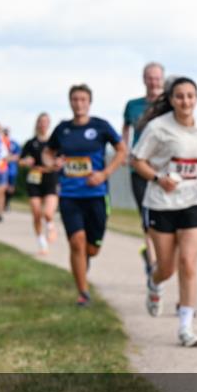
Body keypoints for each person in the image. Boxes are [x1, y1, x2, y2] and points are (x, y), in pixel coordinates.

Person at [131, 77, 197, 347]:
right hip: (162, 202)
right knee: (167, 268)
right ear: (172, 100)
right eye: (180, 96)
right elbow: (137, 160)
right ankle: (154, 282)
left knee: (188, 262)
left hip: (195, 200)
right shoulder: (158, 128)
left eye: (190, 96)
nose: (186, 101)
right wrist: (159, 178)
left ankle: (186, 327)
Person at [44, 84, 127, 306]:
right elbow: (48, 153)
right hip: (70, 195)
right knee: (76, 242)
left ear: (89, 102)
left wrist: (105, 173)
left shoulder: (100, 126)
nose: (79, 104)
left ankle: (85, 259)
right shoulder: (62, 129)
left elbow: (122, 150)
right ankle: (83, 292)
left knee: (92, 248)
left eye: (83, 99)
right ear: (70, 102)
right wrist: (53, 162)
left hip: (96, 194)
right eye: (75, 99)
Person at [122, 62, 168, 278]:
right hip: (139, 167)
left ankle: (162, 255)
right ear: (144, 79)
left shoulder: (169, 103)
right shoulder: (133, 106)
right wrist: (125, 150)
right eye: (150, 77)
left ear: (163, 79)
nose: (154, 82)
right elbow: (126, 128)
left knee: (166, 215)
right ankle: (152, 261)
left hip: (164, 167)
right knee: (147, 215)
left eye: (157, 78)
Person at [20, 113, 60, 254]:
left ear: (49, 124)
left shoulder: (54, 143)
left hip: (50, 178)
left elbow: (61, 160)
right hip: (34, 179)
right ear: (37, 124)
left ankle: (50, 226)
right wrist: (26, 162)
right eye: (40, 122)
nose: (43, 124)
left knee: (48, 213)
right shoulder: (31, 143)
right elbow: (21, 160)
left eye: (45, 122)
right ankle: (41, 242)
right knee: (36, 213)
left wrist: (56, 164)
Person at [3, 127, 20, 211]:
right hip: (2, 168)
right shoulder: (0, 142)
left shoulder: (14, 143)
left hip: (12, 169)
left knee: (11, 188)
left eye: (7, 132)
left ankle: (7, 203)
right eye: (4, 132)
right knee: (2, 187)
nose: (6, 133)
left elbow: (19, 156)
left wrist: (9, 158)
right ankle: (1, 203)